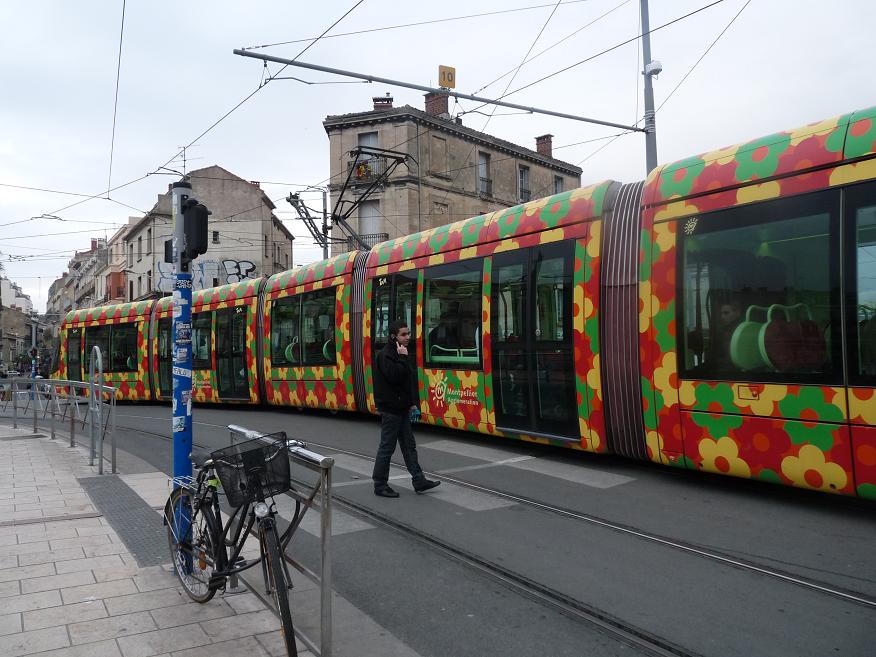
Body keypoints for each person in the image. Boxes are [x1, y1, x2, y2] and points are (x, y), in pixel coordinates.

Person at [372, 320, 440, 498]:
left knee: (409, 446)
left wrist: (412, 404)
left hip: (401, 408)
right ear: (394, 336)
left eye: (408, 333)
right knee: (387, 447)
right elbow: (394, 377)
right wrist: (402, 358)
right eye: (403, 334)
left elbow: (405, 383)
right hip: (390, 409)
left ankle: (418, 480)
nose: (408, 337)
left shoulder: (399, 352)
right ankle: (380, 484)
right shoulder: (386, 354)